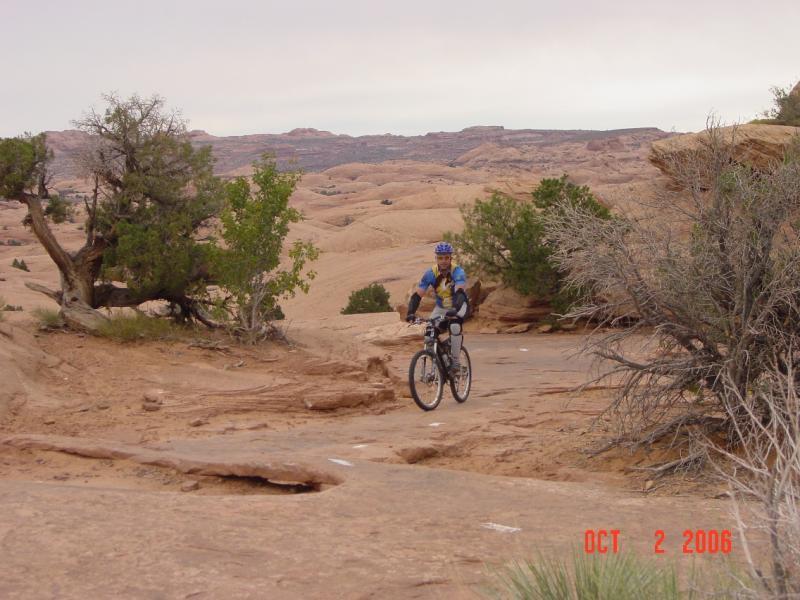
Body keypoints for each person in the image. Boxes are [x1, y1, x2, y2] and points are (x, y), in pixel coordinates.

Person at [405, 241, 469, 374]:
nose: (444, 261)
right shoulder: (430, 274)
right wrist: (410, 313)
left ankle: (456, 363)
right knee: (429, 334)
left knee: (455, 326)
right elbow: (417, 295)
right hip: (440, 308)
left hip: (459, 305)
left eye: (446, 257)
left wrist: (455, 309)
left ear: (451, 258)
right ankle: (441, 362)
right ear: (436, 258)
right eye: (440, 258)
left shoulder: (458, 272)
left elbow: (460, 293)